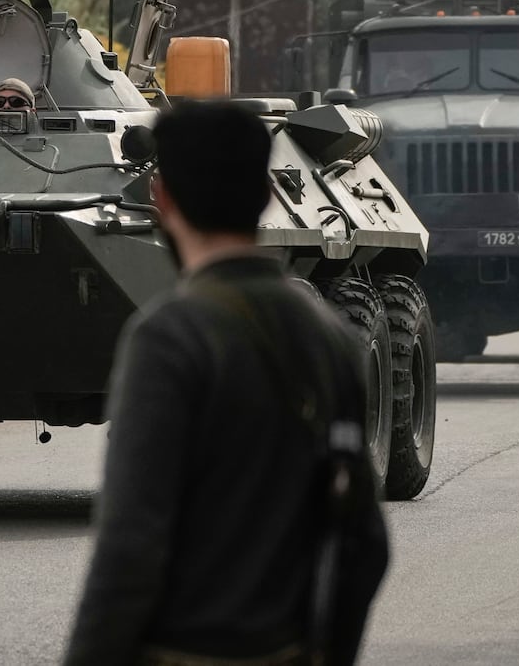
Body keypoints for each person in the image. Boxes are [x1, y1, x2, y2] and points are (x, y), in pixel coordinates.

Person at [64, 101, 389, 666]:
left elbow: (131, 547)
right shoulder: (332, 338)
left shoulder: (168, 338)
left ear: (160, 199)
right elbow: (365, 544)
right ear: (268, 193)